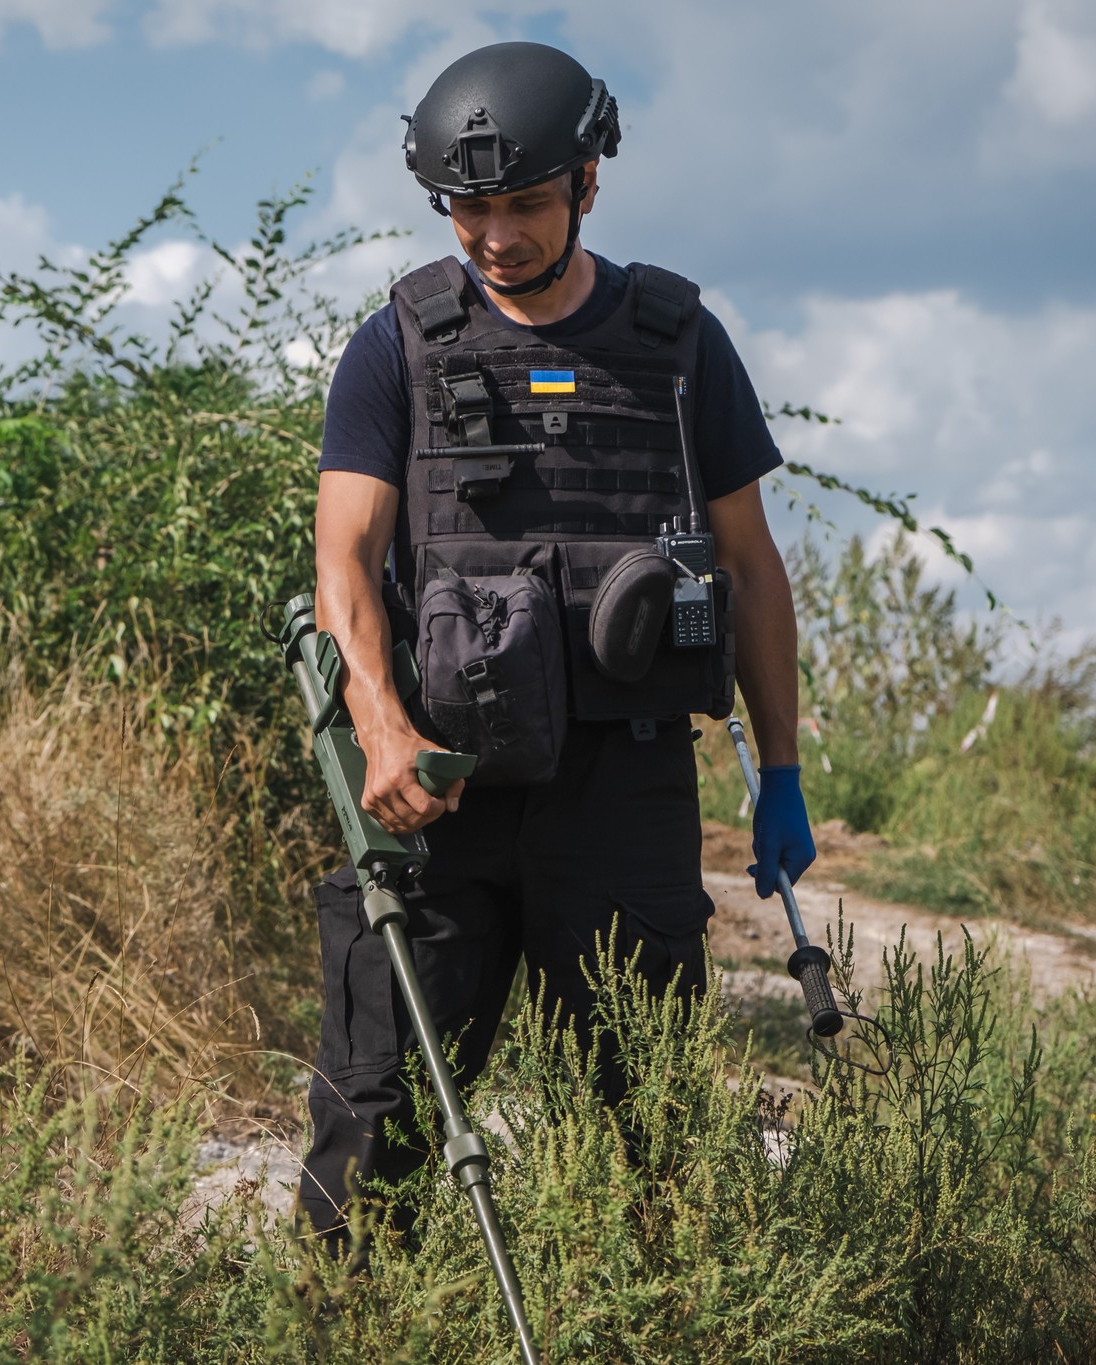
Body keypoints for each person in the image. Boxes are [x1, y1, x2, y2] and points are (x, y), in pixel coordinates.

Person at [300, 40, 815, 1249]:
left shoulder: (680, 346)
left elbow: (748, 570)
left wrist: (782, 772)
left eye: (522, 201)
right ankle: (349, 1329)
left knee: (647, 1128)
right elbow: (342, 563)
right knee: (376, 1118)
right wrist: (379, 729)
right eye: (467, 206)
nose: (493, 233)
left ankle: (648, 1324)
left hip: (621, 786)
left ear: (589, 182)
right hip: (439, 779)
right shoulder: (397, 346)